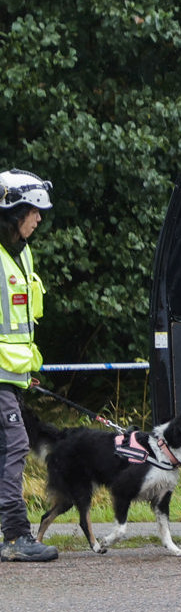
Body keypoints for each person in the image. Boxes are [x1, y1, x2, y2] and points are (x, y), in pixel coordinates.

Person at [0, 170, 56, 563]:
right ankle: (17, 536)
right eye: (33, 211)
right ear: (12, 211)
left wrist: (24, 371)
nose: (38, 219)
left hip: (12, 376)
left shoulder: (22, 253)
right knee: (15, 447)